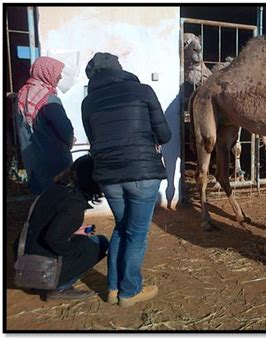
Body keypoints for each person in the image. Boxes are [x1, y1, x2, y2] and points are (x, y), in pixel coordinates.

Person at [81, 52, 171, 307]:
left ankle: (112, 288)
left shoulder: (88, 102)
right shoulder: (143, 91)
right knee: (137, 233)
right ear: (119, 68)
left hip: (109, 176)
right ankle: (129, 291)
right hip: (142, 173)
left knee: (122, 227)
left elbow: (94, 140)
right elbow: (165, 135)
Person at [14, 155, 109, 301]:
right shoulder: (74, 204)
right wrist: (77, 244)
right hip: (44, 264)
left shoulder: (57, 188)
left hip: (26, 255)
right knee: (99, 243)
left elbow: (49, 225)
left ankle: (42, 280)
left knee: (84, 240)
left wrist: (74, 232)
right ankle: (60, 286)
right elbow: (53, 239)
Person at [16, 56, 75, 195]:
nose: (60, 77)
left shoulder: (22, 95)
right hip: (55, 163)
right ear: (46, 73)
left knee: (41, 202)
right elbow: (65, 129)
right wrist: (70, 139)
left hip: (32, 160)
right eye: (57, 72)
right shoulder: (49, 99)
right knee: (59, 202)